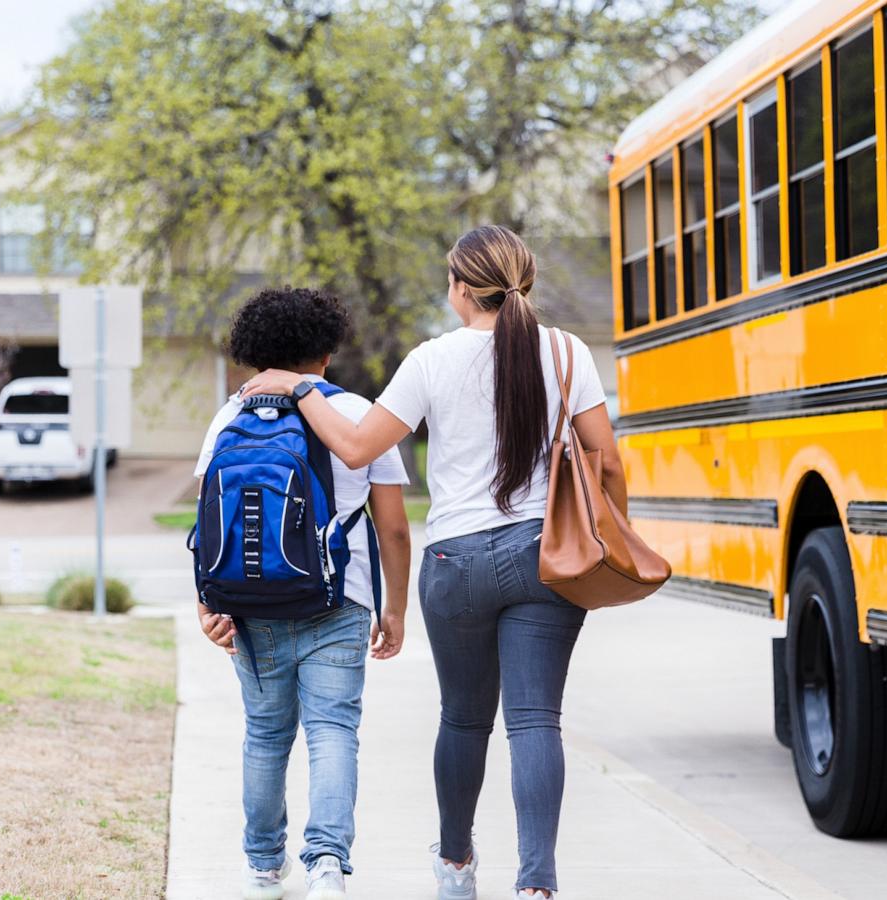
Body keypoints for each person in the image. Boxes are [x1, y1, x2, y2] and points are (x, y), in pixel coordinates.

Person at [243, 225, 621, 900]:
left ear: (461, 288)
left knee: (464, 719)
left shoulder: (430, 361)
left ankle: (454, 867)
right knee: (536, 720)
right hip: (545, 558)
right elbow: (608, 459)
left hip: (455, 560)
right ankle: (536, 885)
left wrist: (302, 390)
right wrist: (607, 535)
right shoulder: (567, 352)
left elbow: (356, 448)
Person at [195, 286, 413, 900]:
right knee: (333, 730)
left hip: (250, 604)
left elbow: (210, 524)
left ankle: (264, 866)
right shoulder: (361, 415)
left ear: (255, 352)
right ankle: (326, 866)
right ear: (325, 352)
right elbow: (393, 528)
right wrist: (393, 608)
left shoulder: (229, 416)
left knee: (265, 734)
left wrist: (208, 604)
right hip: (340, 601)